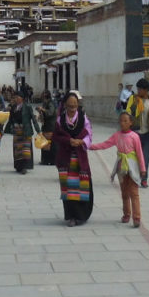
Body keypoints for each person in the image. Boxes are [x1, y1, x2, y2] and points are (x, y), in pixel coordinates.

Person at [90, 111, 146, 227]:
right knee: (124, 193)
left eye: (125, 121)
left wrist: (142, 168)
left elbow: (140, 153)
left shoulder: (134, 136)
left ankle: (137, 218)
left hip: (133, 167)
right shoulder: (117, 136)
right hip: (121, 167)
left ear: (131, 123)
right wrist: (90, 146)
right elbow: (105, 144)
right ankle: (126, 214)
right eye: (121, 121)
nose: (123, 123)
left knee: (134, 193)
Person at [51, 90, 93, 227]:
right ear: (65, 105)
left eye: (74, 105)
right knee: (69, 189)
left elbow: (89, 134)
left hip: (79, 157)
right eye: (69, 106)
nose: (72, 108)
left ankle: (82, 215)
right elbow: (56, 136)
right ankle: (71, 216)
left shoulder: (83, 118)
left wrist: (81, 142)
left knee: (81, 186)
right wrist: (69, 140)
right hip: (66, 158)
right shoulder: (60, 120)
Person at [124, 78, 149, 187]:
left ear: (146, 90)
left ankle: (144, 179)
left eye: (140, 89)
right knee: (133, 157)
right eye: (138, 89)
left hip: (146, 134)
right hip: (134, 133)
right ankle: (132, 178)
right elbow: (128, 113)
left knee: (145, 157)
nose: (138, 91)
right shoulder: (133, 99)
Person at [6, 90, 39, 174]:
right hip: (17, 131)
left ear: (22, 99)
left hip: (26, 130)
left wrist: (38, 130)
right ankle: (18, 166)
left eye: (18, 97)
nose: (16, 99)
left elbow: (33, 119)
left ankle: (24, 167)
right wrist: (7, 129)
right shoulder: (13, 107)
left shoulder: (27, 107)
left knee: (25, 149)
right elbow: (10, 119)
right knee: (18, 149)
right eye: (15, 97)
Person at [37, 90, 57, 166]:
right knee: (45, 143)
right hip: (46, 126)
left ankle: (51, 160)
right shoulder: (45, 103)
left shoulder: (51, 103)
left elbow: (50, 113)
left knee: (50, 144)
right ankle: (45, 160)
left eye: (43, 94)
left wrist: (42, 109)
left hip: (50, 126)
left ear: (45, 95)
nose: (41, 96)